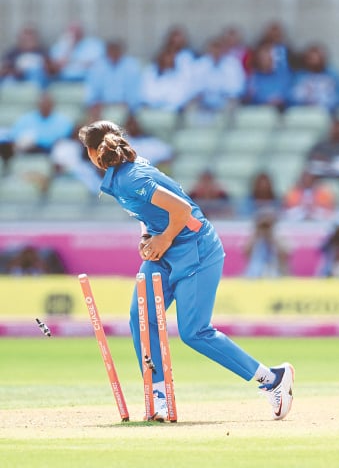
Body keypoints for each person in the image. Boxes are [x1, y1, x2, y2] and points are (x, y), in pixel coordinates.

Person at [77, 120, 294, 421]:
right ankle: (158, 395)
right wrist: (147, 239)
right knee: (141, 318)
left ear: (91, 152)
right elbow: (147, 212)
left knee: (194, 333)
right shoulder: (122, 175)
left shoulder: (131, 177)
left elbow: (183, 211)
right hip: (165, 253)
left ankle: (272, 379)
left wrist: (163, 238)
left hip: (197, 251)